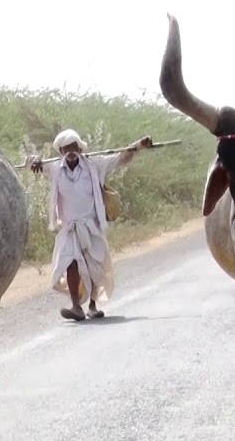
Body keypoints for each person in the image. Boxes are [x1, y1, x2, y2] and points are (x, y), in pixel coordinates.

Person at [27, 129, 154, 321]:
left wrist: (138, 146)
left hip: (91, 225)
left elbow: (120, 158)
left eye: (73, 146)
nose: (70, 150)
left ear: (79, 147)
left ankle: (93, 306)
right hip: (69, 227)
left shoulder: (94, 164)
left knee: (94, 264)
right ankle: (76, 307)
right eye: (66, 147)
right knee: (70, 262)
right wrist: (33, 160)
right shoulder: (53, 168)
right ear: (61, 151)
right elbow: (32, 163)